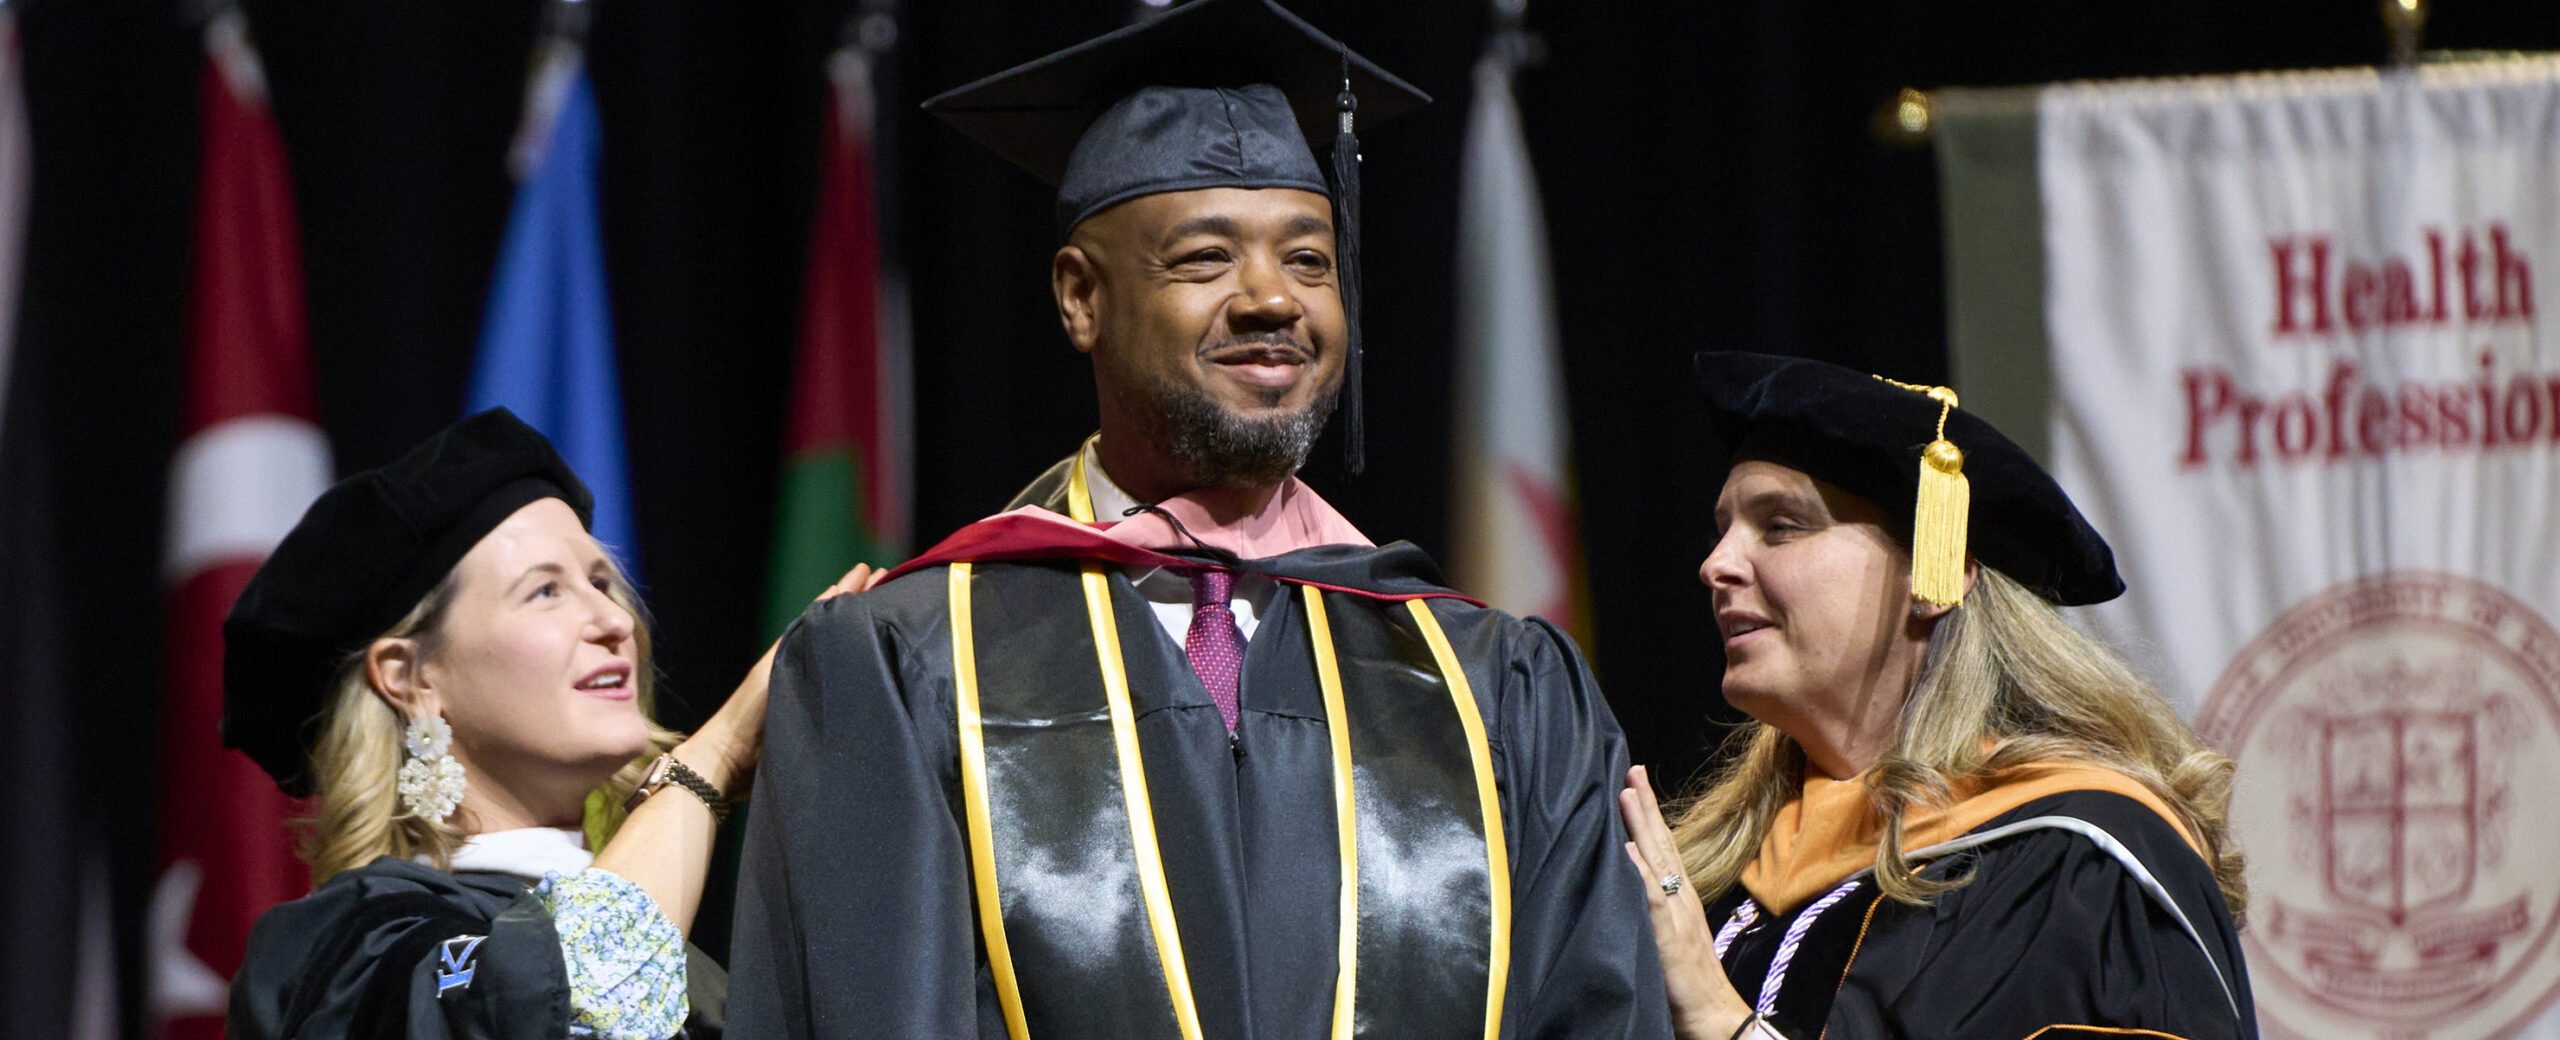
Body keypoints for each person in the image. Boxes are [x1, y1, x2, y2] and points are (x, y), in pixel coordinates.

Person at [725, 1, 1668, 1037]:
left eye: (1310, 260)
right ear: (1081, 297)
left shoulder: (1495, 679)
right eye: (1205, 259)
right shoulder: (910, 663)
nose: (1272, 298)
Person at [1618, 352, 2257, 1040]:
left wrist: (1722, 1024)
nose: (1716, 565)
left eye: (1780, 526)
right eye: (1724, 531)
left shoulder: (2077, 869)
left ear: (1937, 575)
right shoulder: (1713, 876)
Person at [220, 408, 873, 1040]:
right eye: (545, 591)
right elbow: (572, 1009)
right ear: (409, 677)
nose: (615, 621)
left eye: (601, 582)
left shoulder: (702, 973)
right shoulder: (343, 956)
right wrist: (710, 760)